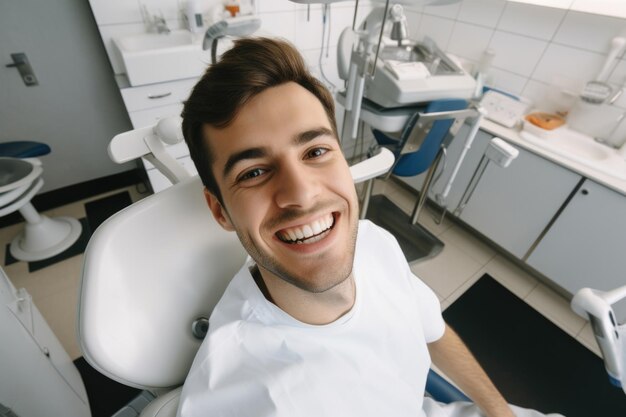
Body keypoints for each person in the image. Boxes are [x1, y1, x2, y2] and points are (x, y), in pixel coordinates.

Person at [176, 37, 563, 417]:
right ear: (220, 211)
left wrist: (500, 412)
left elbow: (434, 331)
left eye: (315, 151)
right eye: (254, 172)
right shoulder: (244, 395)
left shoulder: (376, 244)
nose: (302, 194)